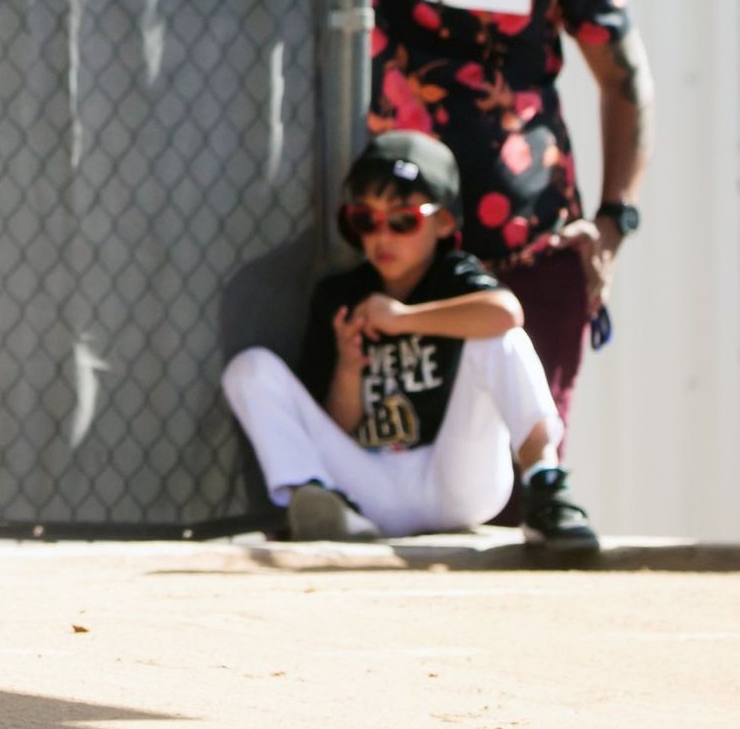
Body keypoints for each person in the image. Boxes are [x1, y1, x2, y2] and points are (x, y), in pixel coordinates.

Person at [369, 0, 652, 444]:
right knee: (391, 478)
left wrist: (614, 222)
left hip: (529, 251)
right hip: (385, 249)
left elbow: (623, 78)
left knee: (523, 482)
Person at [221, 132, 598, 548]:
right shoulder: (341, 295)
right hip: (371, 489)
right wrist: (348, 367)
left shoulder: (451, 275)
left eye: (403, 220)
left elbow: (507, 312)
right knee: (249, 369)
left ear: (443, 222)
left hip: (455, 481)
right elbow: (337, 429)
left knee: (499, 338)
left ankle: (546, 487)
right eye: (367, 220)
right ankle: (321, 507)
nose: (383, 237)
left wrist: (403, 320)